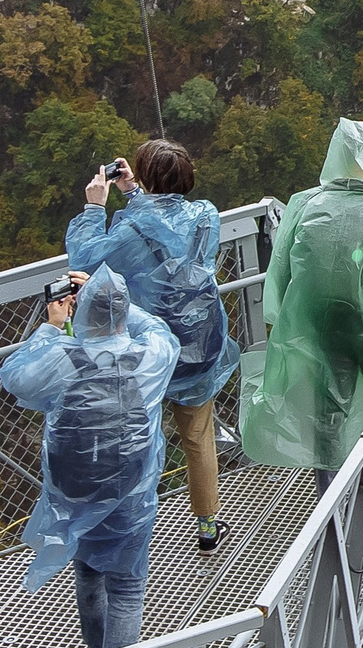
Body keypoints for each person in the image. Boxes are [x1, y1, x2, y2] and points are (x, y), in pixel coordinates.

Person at [1, 269, 179, 648]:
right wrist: (117, 300)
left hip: (74, 492)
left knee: (87, 574)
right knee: (126, 587)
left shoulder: (61, 357)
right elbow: (160, 330)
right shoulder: (150, 356)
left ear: (79, 312)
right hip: (130, 492)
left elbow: (16, 378)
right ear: (123, 313)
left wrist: (50, 324)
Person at [65, 139, 240, 555]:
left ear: (145, 176)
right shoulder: (205, 216)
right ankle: (208, 525)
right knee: (198, 437)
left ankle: (131, 529)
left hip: (145, 350)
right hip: (198, 343)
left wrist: (94, 208)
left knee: (136, 438)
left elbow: (85, 259)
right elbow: (168, 229)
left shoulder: (127, 231)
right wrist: (135, 193)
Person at [242, 119, 363, 494]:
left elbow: (279, 270)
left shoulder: (305, 203)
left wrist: (281, 320)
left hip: (318, 325)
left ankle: (330, 495)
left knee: (327, 409)